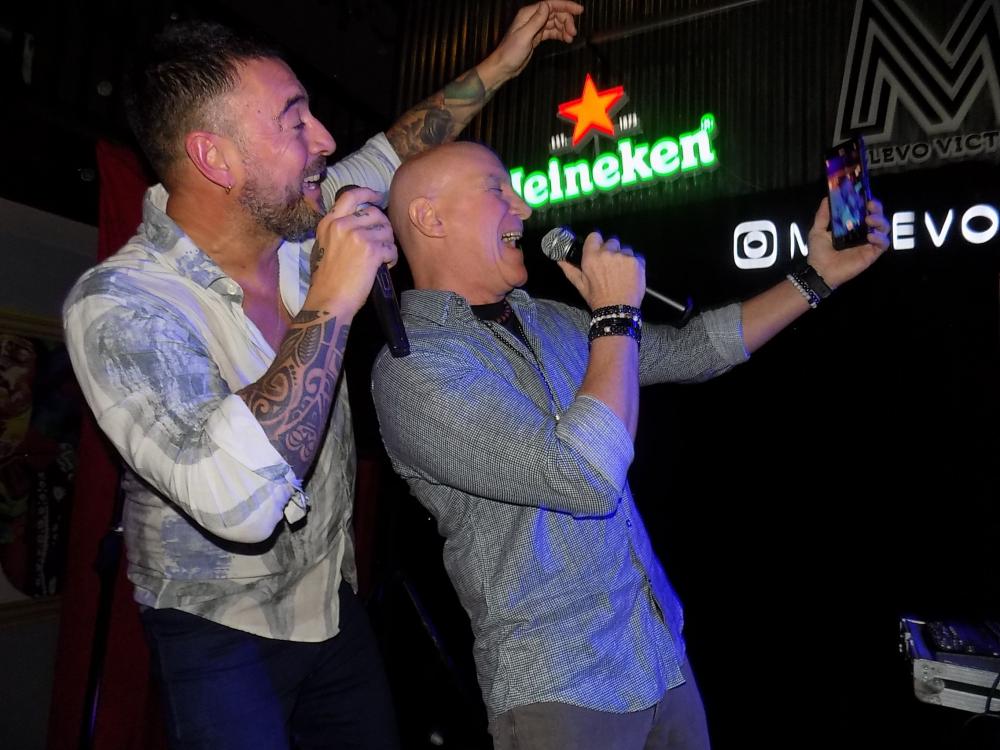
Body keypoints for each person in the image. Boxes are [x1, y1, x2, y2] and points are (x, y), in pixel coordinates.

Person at [62, 4, 583, 749]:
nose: (326, 139)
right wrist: (334, 297)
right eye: (294, 120)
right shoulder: (121, 305)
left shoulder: (295, 226)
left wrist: (502, 62)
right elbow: (239, 503)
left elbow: (399, 147)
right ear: (216, 159)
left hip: (330, 603)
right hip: (217, 628)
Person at [372, 141, 891, 750]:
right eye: (496, 189)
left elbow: (691, 350)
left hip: (656, 652)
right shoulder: (414, 367)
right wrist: (614, 315)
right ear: (429, 218)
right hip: (560, 689)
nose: (524, 206)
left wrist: (816, 277)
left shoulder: (548, 319)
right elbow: (583, 478)